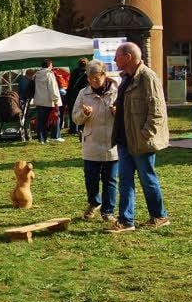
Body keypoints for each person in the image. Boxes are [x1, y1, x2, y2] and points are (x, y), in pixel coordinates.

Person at [107, 42, 170, 233]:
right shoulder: (126, 78)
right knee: (125, 181)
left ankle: (159, 216)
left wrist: (145, 135)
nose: (114, 60)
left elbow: (157, 111)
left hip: (140, 141)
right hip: (125, 140)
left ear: (128, 57)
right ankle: (126, 221)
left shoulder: (147, 77)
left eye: (117, 56)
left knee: (147, 178)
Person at [71, 60, 118, 222]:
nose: (93, 82)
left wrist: (117, 113)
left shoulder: (116, 91)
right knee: (91, 178)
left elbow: (128, 114)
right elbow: (75, 118)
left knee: (110, 180)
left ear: (105, 75)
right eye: (90, 79)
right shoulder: (83, 94)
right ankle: (94, 202)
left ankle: (108, 211)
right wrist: (84, 114)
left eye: (96, 78)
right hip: (91, 142)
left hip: (112, 143)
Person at [32, 60, 63, 143]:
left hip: (39, 100)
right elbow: (52, 88)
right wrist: (56, 99)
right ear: (49, 65)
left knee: (41, 121)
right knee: (55, 118)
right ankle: (55, 136)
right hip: (50, 101)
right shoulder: (49, 74)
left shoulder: (36, 75)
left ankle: (42, 139)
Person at [64, 58, 89, 134]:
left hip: (73, 95)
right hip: (84, 94)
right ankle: (82, 128)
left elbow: (70, 85)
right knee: (84, 111)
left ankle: (73, 129)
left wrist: (68, 96)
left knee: (74, 111)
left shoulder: (74, 71)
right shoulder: (88, 72)